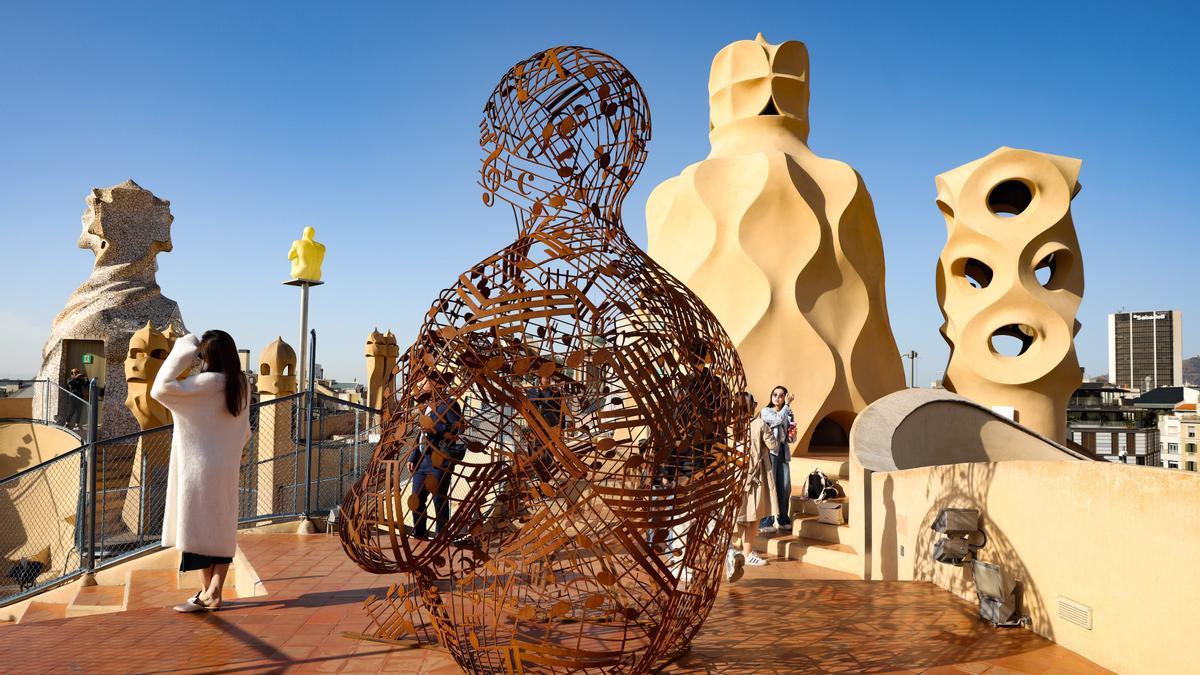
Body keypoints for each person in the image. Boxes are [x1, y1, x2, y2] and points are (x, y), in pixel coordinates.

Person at [151, 330, 250, 613]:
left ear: (205, 356)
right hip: (226, 466)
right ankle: (213, 591)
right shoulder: (241, 385)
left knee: (194, 529)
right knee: (221, 527)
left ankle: (208, 592)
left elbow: (159, 388)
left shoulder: (202, 384)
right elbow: (245, 432)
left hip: (197, 469)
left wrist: (183, 348)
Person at [406, 372, 464, 539]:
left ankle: (442, 535)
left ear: (434, 385)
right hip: (421, 463)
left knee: (439, 500)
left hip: (439, 461)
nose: (421, 386)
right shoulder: (425, 406)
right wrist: (412, 457)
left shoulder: (449, 404)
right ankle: (419, 533)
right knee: (416, 498)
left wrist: (436, 429)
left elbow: (458, 427)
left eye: (424, 382)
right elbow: (420, 434)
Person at [726, 392, 775, 581]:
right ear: (751, 407)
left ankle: (729, 549)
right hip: (754, 476)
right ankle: (746, 553)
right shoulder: (759, 425)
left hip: (734, 476)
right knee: (753, 515)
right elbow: (773, 445)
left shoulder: (730, 427)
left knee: (734, 513)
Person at [758, 385, 795, 533]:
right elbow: (777, 420)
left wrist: (792, 435)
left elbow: (791, 433)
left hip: (783, 454)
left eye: (781, 395)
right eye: (775, 394)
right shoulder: (766, 411)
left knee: (785, 486)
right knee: (770, 487)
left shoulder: (788, 412)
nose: (777, 397)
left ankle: (783, 518)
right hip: (770, 453)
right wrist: (786, 406)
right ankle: (766, 520)